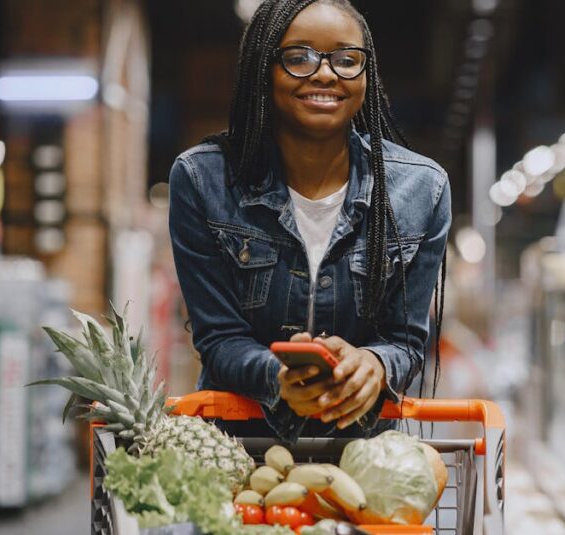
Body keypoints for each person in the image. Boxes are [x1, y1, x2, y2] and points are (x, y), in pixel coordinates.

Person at [168, 0, 450, 442]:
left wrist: (374, 364)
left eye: (346, 59)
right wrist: (278, 378)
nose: (325, 73)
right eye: (298, 57)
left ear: (367, 74)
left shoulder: (421, 190)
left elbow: (407, 342)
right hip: (237, 452)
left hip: (366, 458)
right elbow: (218, 338)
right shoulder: (203, 180)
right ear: (264, 69)